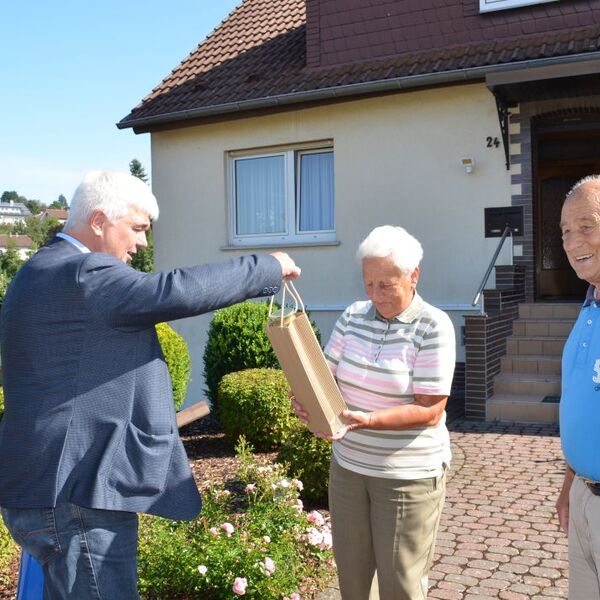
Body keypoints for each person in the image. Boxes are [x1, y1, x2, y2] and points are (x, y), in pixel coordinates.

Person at [0, 170, 300, 599]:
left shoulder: (39, 270)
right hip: (78, 494)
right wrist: (267, 266)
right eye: (137, 228)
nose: (142, 243)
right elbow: (171, 291)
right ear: (100, 220)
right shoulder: (85, 273)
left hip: (49, 487)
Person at [293, 225, 455, 600]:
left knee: (401, 583)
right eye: (368, 284)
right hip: (349, 468)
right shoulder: (352, 316)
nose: (375, 294)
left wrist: (369, 420)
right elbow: (325, 376)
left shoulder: (433, 326)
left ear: (414, 275)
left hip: (406, 477)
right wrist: (307, 400)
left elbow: (430, 410)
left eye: (386, 283)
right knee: (352, 578)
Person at [555, 174, 600, 599]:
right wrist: (572, 485)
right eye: (566, 231)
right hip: (586, 498)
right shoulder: (589, 305)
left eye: (587, 226)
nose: (572, 241)